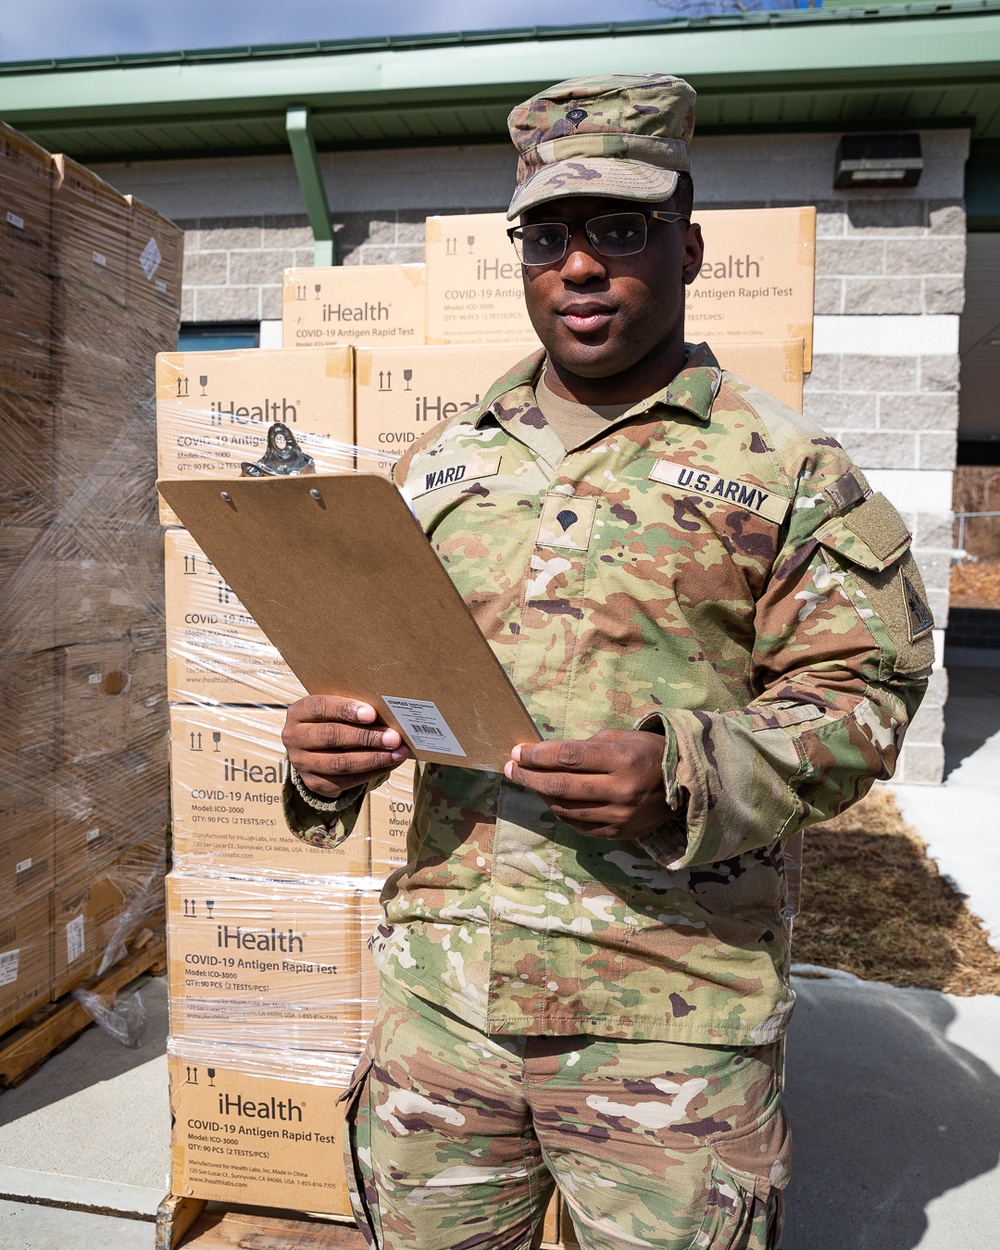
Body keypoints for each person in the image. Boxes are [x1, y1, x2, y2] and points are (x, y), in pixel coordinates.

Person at [282, 73, 932, 1250]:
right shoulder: (437, 467)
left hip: (665, 1033)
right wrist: (325, 758)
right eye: (546, 234)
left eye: (617, 229)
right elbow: (378, 680)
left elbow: (866, 694)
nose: (578, 266)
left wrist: (686, 769)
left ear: (687, 249)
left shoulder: (788, 473)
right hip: (445, 1012)